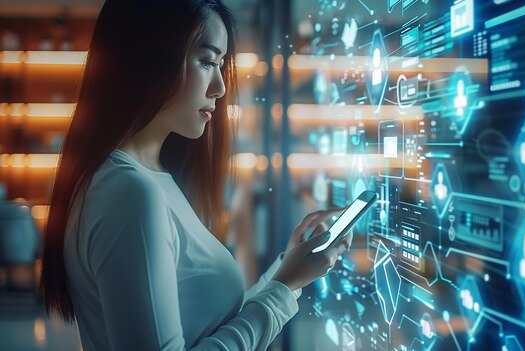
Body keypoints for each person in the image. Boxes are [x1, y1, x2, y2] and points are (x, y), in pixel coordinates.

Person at [39, 0, 350, 350]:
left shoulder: (145, 179)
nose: (218, 86)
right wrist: (281, 291)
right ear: (151, 59)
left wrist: (286, 275)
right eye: (206, 61)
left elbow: (208, 325)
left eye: (220, 64)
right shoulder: (130, 191)